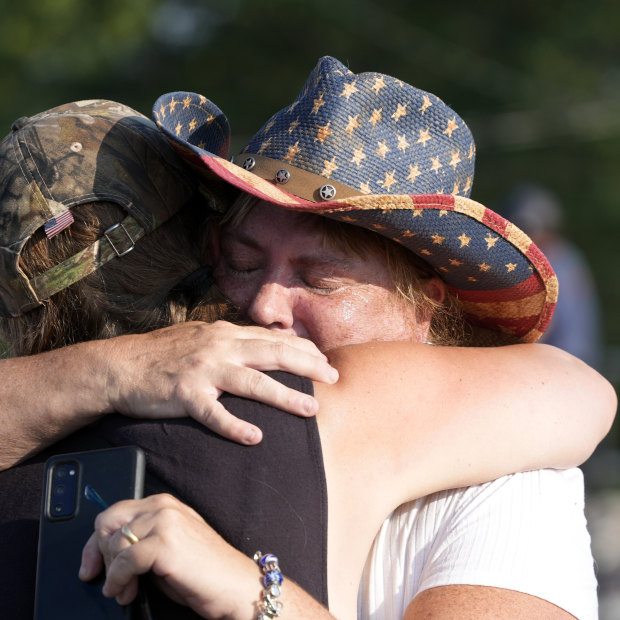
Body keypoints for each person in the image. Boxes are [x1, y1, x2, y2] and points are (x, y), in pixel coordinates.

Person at [0, 73, 614, 618]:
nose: (265, 306)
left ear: (425, 304)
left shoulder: (506, 481)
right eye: (241, 261)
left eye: (318, 280)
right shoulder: (164, 394)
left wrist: (259, 597)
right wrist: (113, 368)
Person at [500, 182, 603, 369]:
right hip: (562, 364)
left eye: (529, 231)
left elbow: (554, 335)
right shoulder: (565, 259)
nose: (524, 239)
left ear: (549, 232)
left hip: (563, 367)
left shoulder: (560, 266)